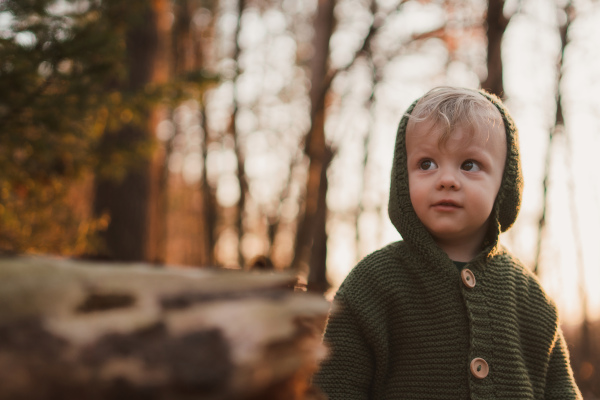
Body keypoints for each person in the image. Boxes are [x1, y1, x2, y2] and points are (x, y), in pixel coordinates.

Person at [312, 87, 582, 399]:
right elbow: (334, 388)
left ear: (504, 183)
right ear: (403, 176)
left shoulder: (532, 299)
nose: (446, 179)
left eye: (469, 165)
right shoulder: (372, 285)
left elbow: (560, 389)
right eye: (426, 164)